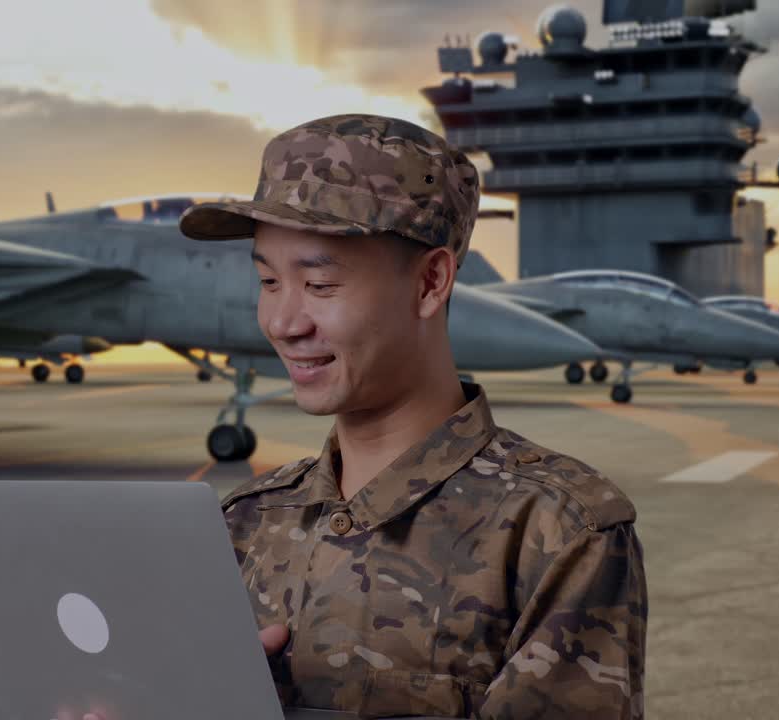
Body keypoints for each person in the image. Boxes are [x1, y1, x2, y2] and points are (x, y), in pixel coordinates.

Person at [179, 114, 646, 719]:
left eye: (319, 284)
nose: (282, 323)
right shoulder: (244, 524)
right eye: (268, 280)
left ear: (431, 282)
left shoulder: (557, 534)